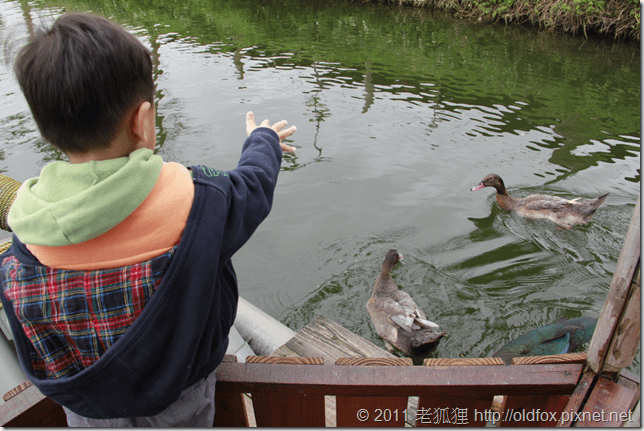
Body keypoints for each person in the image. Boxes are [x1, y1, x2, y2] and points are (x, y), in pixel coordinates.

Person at [0, 12, 296, 427]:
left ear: (48, 132)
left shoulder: (24, 240)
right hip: (183, 399)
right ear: (143, 122)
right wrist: (262, 140)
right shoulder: (199, 200)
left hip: (87, 410)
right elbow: (254, 184)